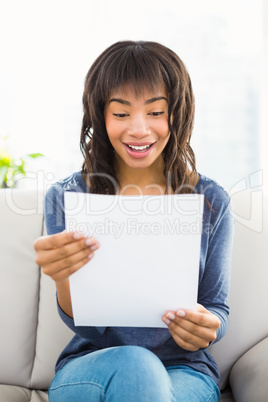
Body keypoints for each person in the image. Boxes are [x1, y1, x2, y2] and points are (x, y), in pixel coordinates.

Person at [34, 40, 234, 402]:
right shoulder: (68, 197)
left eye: (156, 112)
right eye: (122, 113)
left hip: (184, 372)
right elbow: (86, 324)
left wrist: (209, 328)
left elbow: (216, 306)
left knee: (148, 379)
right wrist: (65, 278)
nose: (139, 129)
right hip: (94, 366)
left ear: (178, 113)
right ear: (100, 116)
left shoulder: (211, 200)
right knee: (137, 365)